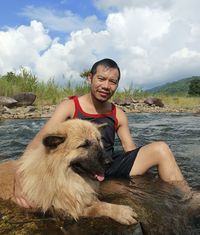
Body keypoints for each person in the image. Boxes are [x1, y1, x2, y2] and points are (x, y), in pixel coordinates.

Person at [15, 58, 196, 208]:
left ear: (117, 85)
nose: (106, 86)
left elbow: (130, 150)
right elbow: (39, 141)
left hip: (106, 163)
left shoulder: (118, 114)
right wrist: (19, 177)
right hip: (81, 168)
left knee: (161, 149)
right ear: (90, 78)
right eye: (101, 79)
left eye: (112, 82)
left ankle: (187, 199)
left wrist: (145, 184)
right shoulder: (70, 106)